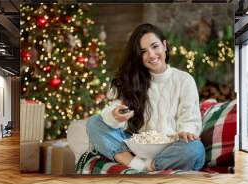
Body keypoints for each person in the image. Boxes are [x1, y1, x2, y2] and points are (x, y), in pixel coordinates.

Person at [86, 23, 205, 172]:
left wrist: (186, 131)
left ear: (164, 45)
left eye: (155, 46)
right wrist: (116, 115)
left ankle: (147, 166)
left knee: (195, 149)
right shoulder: (131, 80)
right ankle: (137, 163)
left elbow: (190, 119)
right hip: (137, 149)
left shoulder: (184, 80)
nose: (151, 55)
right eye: (143, 51)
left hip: (171, 148)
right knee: (94, 122)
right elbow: (112, 114)